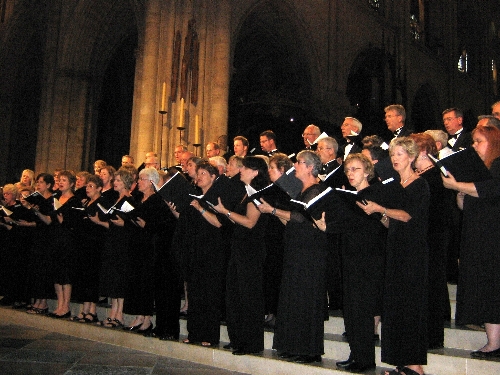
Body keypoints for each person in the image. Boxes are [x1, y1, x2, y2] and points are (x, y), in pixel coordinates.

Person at [357, 137, 429, 375]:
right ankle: (403, 363)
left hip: (413, 254)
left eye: (400, 154)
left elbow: (408, 216)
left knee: (409, 307)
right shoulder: (396, 186)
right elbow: (393, 222)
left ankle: (415, 366)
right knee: (396, 307)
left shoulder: (420, 184)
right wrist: (379, 215)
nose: (395, 159)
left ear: (411, 156)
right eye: (393, 155)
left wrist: (381, 209)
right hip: (396, 249)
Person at [258, 150, 329, 364]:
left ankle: (309, 349)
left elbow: (301, 217)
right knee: (293, 299)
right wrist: (276, 213)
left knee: (306, 300)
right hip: (296, 250)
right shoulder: (301, 191)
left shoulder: (317, 189)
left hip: (309, 253)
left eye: (298, 162)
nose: (294, 166)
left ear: (310, 167)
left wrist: (272, 210)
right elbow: (292, 222)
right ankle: (292, 345)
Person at [319, 153, 385, 373]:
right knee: (352, 309)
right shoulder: (349, 196)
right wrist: (326, 225)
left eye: (355, 169)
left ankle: (365, 359)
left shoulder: (375, 193)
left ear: (367, 171)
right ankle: (356, 353)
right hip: (350, 256)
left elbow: (373, 224)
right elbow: (345, 224)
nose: (350, 174)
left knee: (362, 310)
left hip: (368, 258)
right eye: (347, 170)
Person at [441, 124, 500, 359]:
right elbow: (465, 206)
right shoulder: (479, 168)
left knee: (492, 287)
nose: (474, 146)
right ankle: (493, 341)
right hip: (476, 235)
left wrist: (456, 185)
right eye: (473, 141)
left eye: (479, 141)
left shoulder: (498, 165)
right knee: (484, 288)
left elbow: (490, 190)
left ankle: (495, 343)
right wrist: (460, 193)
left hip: (492, 238)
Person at [214, 156, 270, 355]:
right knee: (235, 295)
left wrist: (225, 212)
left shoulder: (256, 194)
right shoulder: (245, 193)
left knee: (249, 297)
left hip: (250, 251)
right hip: (240, 248)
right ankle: (238, 339)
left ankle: (251, 343)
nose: (241, 171)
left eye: (245, 168)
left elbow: (249, 222)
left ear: (255, 172)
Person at [411, 133, 454, 349]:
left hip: (433, 237)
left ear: (423, 152)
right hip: (423, 237)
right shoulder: (420, 176)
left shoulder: (436, 176)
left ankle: (433, 336)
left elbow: (436, 211)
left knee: (432, 285)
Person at [176, 162, 226, 347]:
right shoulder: (194, 198)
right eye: (198, 174)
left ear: (213, 177)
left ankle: (209, 335)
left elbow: (219, 223)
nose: (199, 177)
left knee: (210, 295)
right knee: (195, 294)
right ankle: (194, 332)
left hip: (212, 253)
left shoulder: (217, 198)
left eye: (203, 173)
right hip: (195, 251)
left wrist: (200, 208)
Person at [123, 167, 173, 335]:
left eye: (142, 179)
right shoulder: (137, 199)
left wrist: (147, 225)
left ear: (151, 182)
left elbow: (164, 225)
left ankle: (146, 318)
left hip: (150, 247)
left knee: (146, 282)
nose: (138, 182)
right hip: (135, 244)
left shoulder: (158, 200)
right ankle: (139, 315)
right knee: (136, 280)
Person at [89, 169, 136, 328]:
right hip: (113, 240)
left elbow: (131, 223)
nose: (115, 183)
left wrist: (122, 223)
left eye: (118, 181)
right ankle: (113, 312)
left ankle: (119, 315)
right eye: (114, 180)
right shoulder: (116, 200)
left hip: (123, 243)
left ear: (126, 183)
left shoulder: (130, 200)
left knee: (120, 278)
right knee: (113, 277)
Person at [33, 170, 83, 319]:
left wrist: (64, 222)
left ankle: (66, 306)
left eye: (64, 180)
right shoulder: (55, 198)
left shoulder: (75, 201)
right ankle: (59, 304)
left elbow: (76, 224)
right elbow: (49, 220)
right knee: (57, 272)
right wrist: (38, 213)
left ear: (72, 184)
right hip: (54, 238)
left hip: (67, 240)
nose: (60, 182)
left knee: (65, 274)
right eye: (59, 180)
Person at [70, 174, 107, 324]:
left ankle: (92, 310)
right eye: (87, 186)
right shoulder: (86, 202)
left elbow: (105, 223)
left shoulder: (102, 202)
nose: (87, 188)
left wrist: (96, 221)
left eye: (91, 186)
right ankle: (84, 309)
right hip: (84, 244)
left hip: (95, 245)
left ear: (99, 188)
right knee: (84, 277)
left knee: (92, 277)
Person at [23, 173, 56, 315]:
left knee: (44, 268)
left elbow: (49, 221)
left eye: (41, 182)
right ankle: (37, 300)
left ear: (48, 185)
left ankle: (43, 303)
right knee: (36, 268)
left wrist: (37, 211)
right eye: (37, 182)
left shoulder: (52, 200)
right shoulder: (38, 199)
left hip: (48, 238)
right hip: (38, 235)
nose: (38, 185)